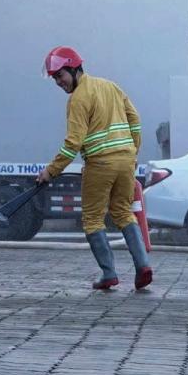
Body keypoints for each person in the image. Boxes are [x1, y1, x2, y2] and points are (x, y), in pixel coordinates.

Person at [36, 48, 150, 291]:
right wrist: (133, 152)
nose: (58, 82)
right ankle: (143, 266)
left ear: (75, 69)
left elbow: (73, 143)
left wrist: (51, 171)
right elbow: (135, 120)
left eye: (60, 75)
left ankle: (109, 274)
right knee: (122, 213)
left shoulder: (77, 99)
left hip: (100, 163)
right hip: (126, 161)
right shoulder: (111, 86)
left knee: (92, 219)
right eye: (55, 78)